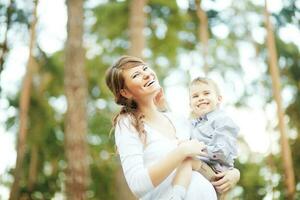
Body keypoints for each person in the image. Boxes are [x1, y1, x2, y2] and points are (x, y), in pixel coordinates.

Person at [105, 55, 239, 200]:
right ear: (125, 92)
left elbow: (209, 155)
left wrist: (234, 173)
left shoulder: (179, 120)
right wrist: (181, 152)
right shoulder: (128, 123)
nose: (146, 74)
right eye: (137, 75)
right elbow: (137, 186)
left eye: (145, 68)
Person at [173, 77, 239, 199]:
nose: (201, 98)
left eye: (206, 93)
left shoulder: (223, 120)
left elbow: (223, 152)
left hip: (217, 174)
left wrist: (196, 148)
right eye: (195, 96)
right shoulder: (192, 124)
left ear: (219, 99)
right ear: (190, 105)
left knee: (188, 159)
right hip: (202, 169)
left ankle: (176, 196)